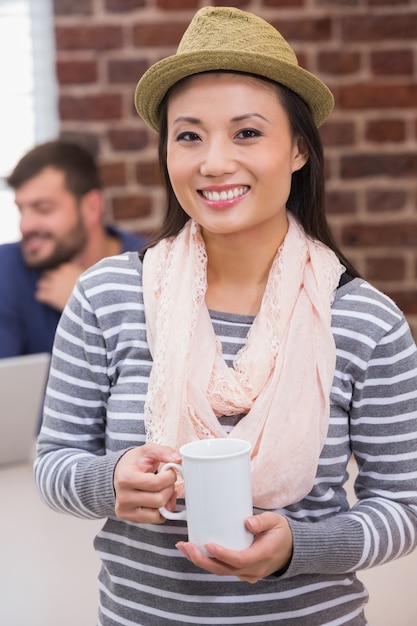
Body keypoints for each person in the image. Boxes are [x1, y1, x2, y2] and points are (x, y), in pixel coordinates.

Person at [34, 7, 417, 626]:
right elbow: (54, 462)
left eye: (246, 133)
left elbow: (405, 505)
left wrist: (300, 547)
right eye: (189, 135)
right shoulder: (108, 295)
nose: (213, 162)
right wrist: (110, 483)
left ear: (297, 149)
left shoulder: (365, 321)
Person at [0, 139, 147, 358]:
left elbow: (160, 374)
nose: (25, 225)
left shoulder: (151, 266)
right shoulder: (7, 266)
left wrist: (88, 304)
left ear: (91, 207)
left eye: (43, 209)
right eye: (22, 210)